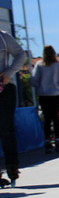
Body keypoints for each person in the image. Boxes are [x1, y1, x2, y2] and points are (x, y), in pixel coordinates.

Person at [0, 29, 26, 187]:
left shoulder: (3, 37)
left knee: (6, 128)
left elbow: (20, 54)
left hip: (5, 86)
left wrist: (9, 73)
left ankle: (12, 168)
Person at [31, 45, 59, 153]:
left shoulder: (39, 65)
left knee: (47, 119)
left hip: (43, 94)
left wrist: (39, 87)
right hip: (55, 94)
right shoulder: (57, 65)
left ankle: (47, 140)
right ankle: (57, 139)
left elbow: (33, 80)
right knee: (56, 117)